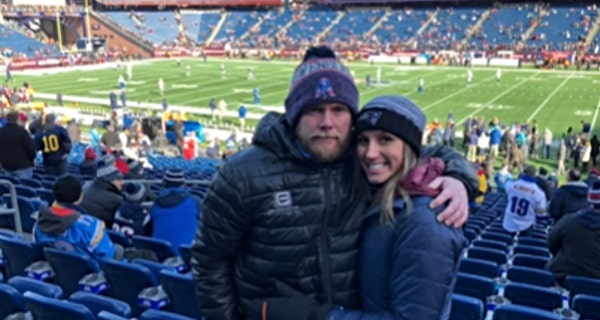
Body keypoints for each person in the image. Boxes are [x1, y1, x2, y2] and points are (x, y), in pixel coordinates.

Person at [191, 46, 477, 320]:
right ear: (294, 115)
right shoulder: (243, 174)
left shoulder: (361, 156)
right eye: (314, 109)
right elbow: (210, 262)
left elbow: (419, 152)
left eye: (338, 109)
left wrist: (458, 177)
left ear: (351, 118)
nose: (327, 122)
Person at [249, 96, 466, 319]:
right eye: (363, 140)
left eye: (385, 140)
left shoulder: (427, 222)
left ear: (409, 148)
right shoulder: (377, 192)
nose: (370, 153)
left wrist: (317, 316)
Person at [502, 165, 548, 235]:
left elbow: (507, 186)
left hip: (509, 222)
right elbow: (541, 216)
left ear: (523, 173)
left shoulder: (511, 185)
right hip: (526, 225)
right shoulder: (539, 193)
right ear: (535, 175)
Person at [0, 111, 35, 179]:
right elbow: (31, 150)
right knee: (24, 187)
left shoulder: (1, 131)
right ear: (18, 119)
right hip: (23, 166)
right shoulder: (22, 132)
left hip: (6, 166)